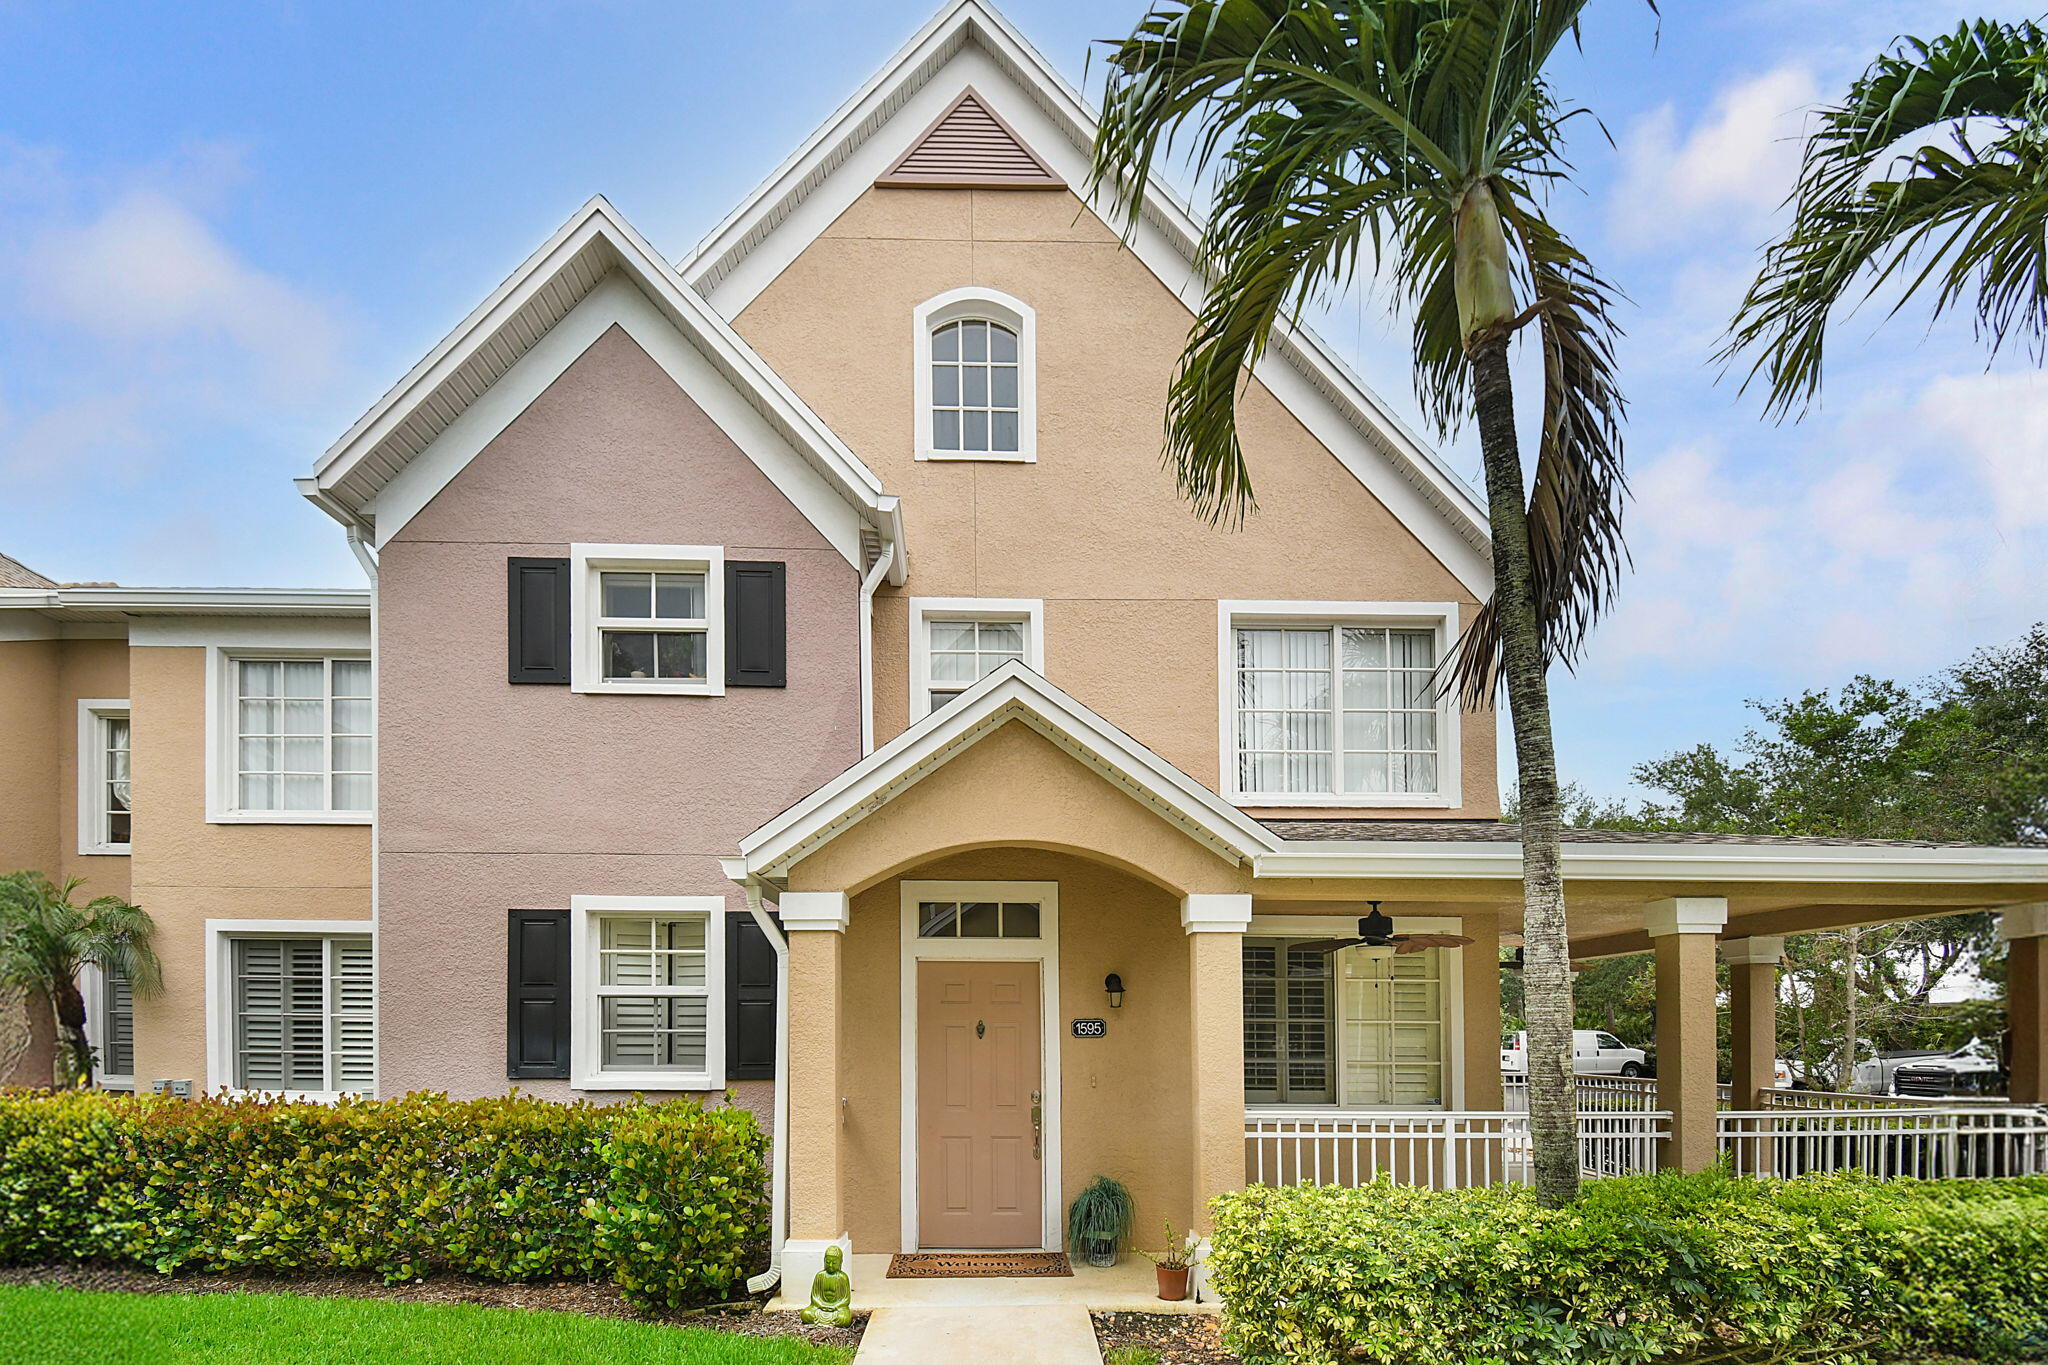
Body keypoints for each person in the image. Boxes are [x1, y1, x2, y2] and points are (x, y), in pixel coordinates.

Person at [801, 1244, 852, 1327]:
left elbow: (845, 1299)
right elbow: (815, 1296)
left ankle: (825, 1322)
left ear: (840, 1262)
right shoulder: (820, 1276)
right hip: (820, 1307)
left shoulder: (843, 1277)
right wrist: (821, 1305)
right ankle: (828, 1322)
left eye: (834, 1263)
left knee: (843, 1319)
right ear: (824, 1260)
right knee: (806, 1314)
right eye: (828, 1262)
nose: (830, 1265)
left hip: (837, 1309)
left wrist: (835, 1306)